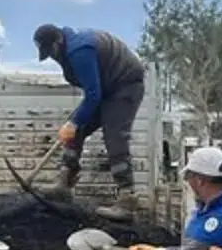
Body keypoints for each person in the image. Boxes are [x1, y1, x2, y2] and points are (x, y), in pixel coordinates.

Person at [33, 23, 147, 220]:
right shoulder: (65, 47)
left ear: (57, 41)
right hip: (107, 87)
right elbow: (93, 93)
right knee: (74, 127)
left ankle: (127, 201)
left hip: (125, 85)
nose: (51, 56)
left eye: (50, 51)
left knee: (114, 137)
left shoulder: (79, 51)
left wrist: (74, 123)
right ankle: (64, 184)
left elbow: (93, 95)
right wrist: (74, 123)